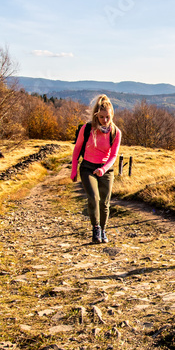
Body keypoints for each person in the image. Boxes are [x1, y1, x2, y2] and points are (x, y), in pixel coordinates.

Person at [70, 94, 122, 243]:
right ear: (96, 116)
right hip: (87, 167)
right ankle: (96, 228)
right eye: (101, 117)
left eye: (107, 117)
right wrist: (74, 170)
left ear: (111, 115)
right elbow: (77, 149)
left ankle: (103, 229)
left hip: (106, 169)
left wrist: (104, 169)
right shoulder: (87, 129)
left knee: (104, 202)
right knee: (94, 197)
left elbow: (113, 155)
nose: (105, 120)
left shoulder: (115, 132)